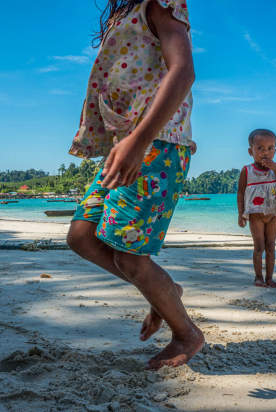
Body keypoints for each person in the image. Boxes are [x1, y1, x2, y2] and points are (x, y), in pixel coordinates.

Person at [66, 0, 204, 370]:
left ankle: (186, 333)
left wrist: (139, 140)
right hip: (126, 144)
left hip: (156, 144)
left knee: (129, 254)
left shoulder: (161, 3)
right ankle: (165, 292)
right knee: (82, 236)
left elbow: (183, 71)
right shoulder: (123, 13)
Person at [237, 129, 276, 288]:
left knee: (271, 247)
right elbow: (240, 192)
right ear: (250, 151)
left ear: (275, 150)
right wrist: (240, 214)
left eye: (270, 148)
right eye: (260, 148)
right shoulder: (247, 170)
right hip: (256, 215)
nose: (265, 152)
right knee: (259, 246)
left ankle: (270, 278)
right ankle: (258, 277)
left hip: (273, 214)